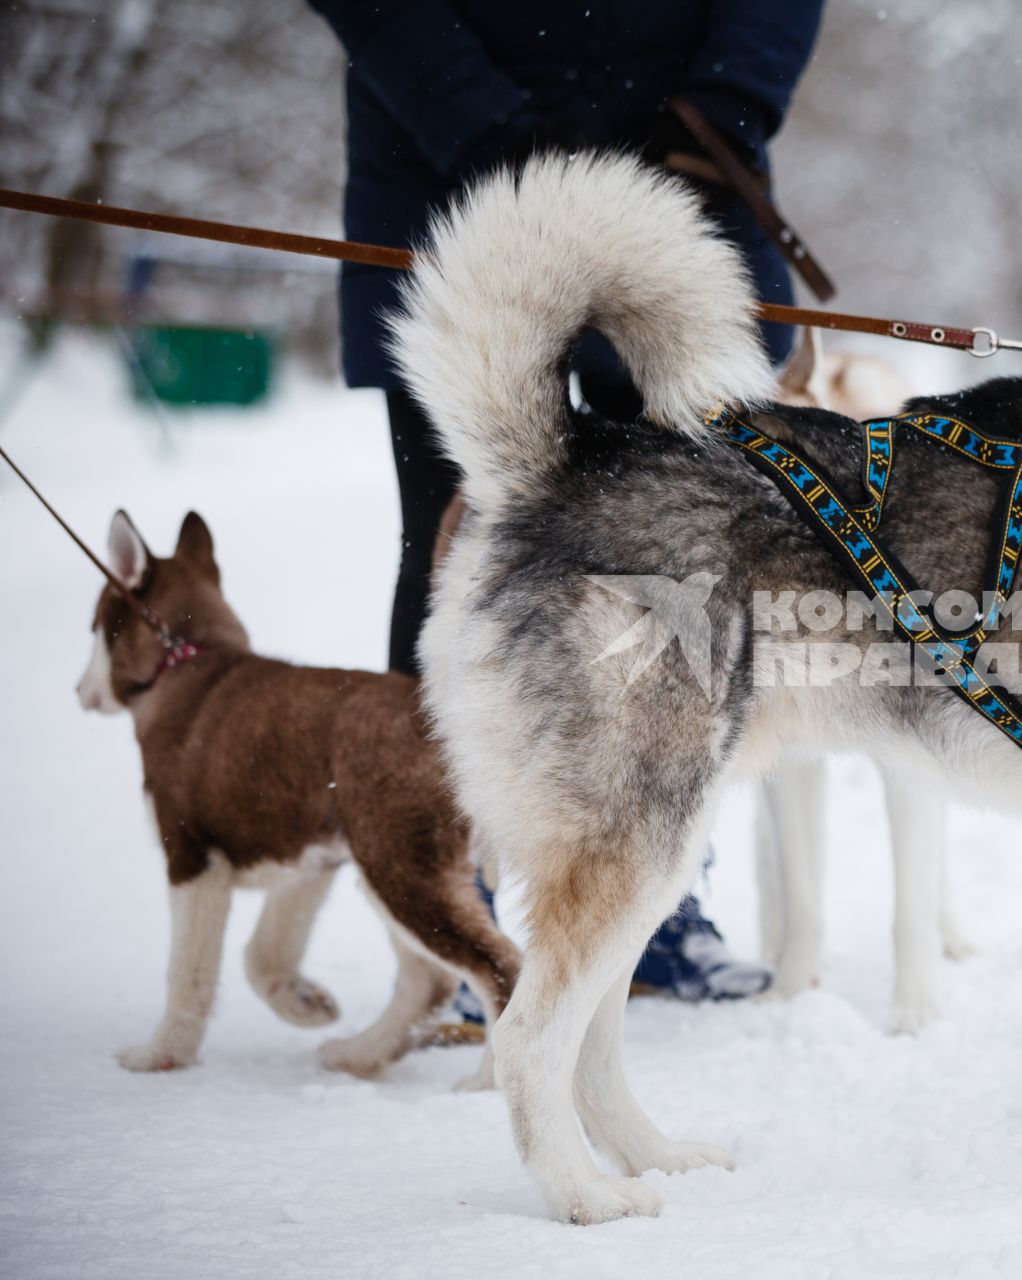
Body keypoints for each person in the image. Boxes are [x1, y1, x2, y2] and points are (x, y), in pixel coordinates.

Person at [309, 0, 827, 1003]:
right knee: (451, 558)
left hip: (676, 188)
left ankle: (651, 898)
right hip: (445, 178)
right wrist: (487, 128)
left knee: (681, 567)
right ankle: (454, 912)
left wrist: (723, 104)